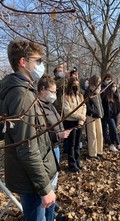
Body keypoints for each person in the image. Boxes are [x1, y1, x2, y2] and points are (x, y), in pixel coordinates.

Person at [0, 40, 58, 220]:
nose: (41, 65)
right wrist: (44, 188)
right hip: (32, 181)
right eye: (38, 60)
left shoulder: (27, 90)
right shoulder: (20, 95)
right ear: (23, 62)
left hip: (37, 175)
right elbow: (27, 148)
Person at [62, 77, 86, 172]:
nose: (75, 87)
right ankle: (72, 164)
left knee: (77, 143)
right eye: (73, 85)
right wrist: (80, 116)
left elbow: (84, 107)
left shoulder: (80, 95)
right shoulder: (65, 96)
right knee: (71, 143)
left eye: (77, 85)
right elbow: (68, 111)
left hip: (79, 122)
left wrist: (81, 120)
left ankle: (77, 161)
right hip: (70, 122)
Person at [101, 77, 120, 151]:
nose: (114, 88)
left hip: (115, 114)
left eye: (115, 86)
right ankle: (117, 143)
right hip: (109, 116)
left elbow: (118, 104)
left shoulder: (116, 95)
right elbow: (106, 107)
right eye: (112, 86)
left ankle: (113, 143)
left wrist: (118, 111)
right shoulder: (106, 96)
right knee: (113, 129)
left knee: (113, 130)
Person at [84, 75, 105, 160]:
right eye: (98, 81)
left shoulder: (98, 91)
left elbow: (99, 103)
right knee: (92, 134)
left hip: (98, 115)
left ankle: (99, 151)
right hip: (91, 116)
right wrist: (92, 113)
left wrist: (101, 112)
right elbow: (87, 104)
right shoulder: (89, 91)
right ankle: (92, 153)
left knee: (99, 133)